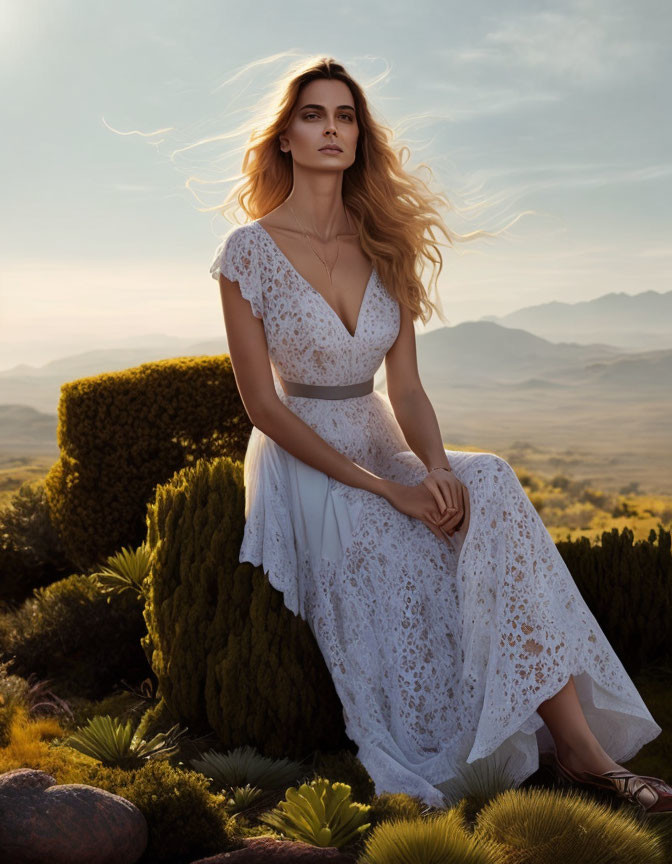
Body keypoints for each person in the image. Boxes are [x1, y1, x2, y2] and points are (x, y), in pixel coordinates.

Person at [209, 56, 671, 813]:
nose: (332, 128)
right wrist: (389, 488)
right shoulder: (247, 254)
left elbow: (409, 389)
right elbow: (264, 407)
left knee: (483, 481)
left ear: (360, 138)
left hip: (379, 431)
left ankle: (581, 751)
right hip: (306, 460)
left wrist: (430, 468)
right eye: (313, 115)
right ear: (285, 138)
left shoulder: (383, 244)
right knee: (402, 535)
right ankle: (581, 757)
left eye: (346, 116)